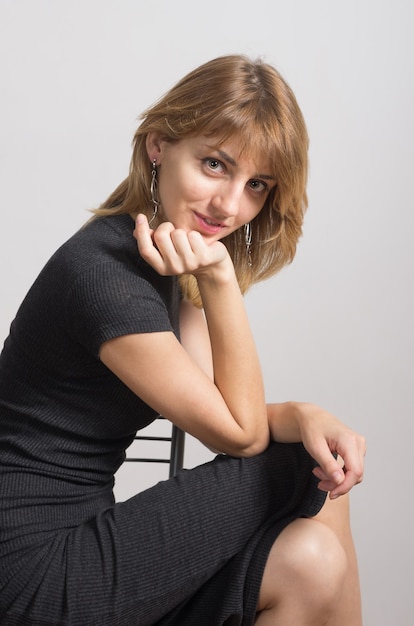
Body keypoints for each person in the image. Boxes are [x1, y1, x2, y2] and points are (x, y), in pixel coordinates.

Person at [0, 54, 366, 626]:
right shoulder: (102, 274)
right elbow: (240, 435)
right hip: (30, 573)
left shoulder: (165, 258)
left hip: (87, 546)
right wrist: (219, 279)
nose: (229, 206)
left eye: (257, 185)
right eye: (215, 164)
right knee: (301, 460)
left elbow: (219, 405)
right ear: (158, 144)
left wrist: (310, 416)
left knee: (313, 556)